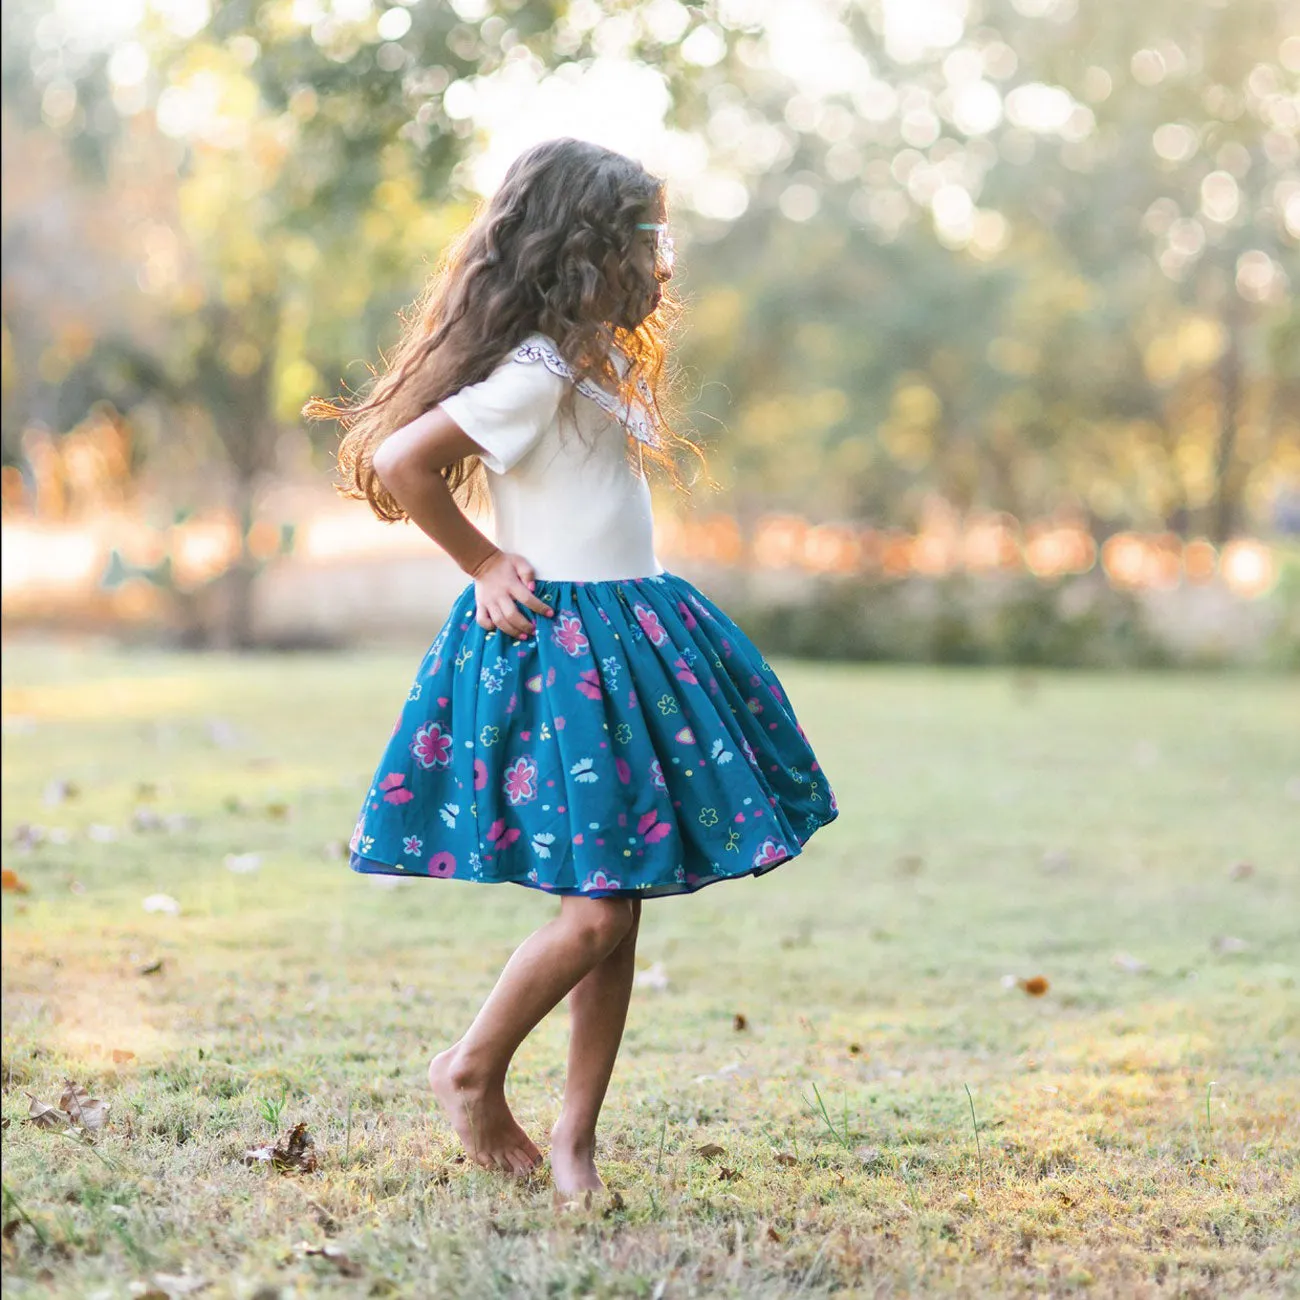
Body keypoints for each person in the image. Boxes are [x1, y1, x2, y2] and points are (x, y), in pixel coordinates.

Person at [306, 138, 837, 1202]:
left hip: (629, 636)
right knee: (594, 912)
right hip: (567, 654)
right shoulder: (537, 370)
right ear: (584, 249)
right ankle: (469, 1068)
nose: (662, 259)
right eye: (647, 236)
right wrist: (483, 560)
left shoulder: (589, 362)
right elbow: (403, 458)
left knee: (619, 901)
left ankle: (573, 1137)